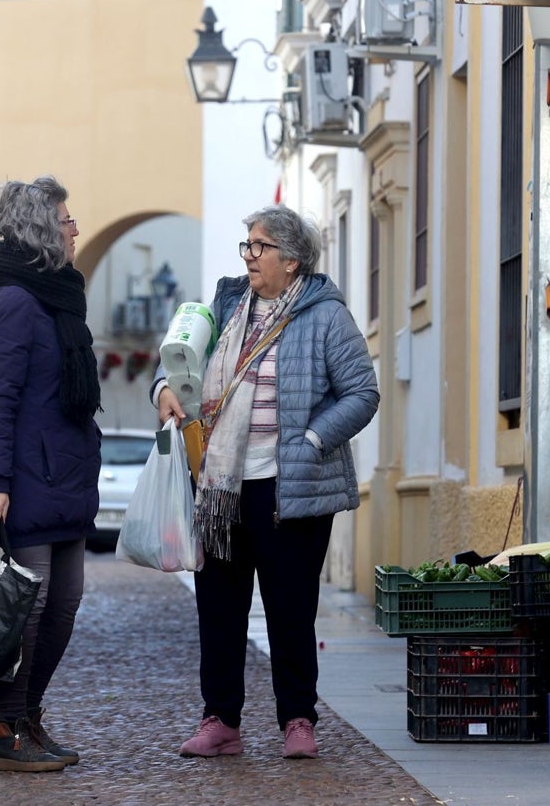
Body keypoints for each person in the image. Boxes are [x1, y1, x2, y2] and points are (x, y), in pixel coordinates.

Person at [153, 205, 379, 761]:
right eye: (247, 246)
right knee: (220, 608)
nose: (249, 256)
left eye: (259, 246)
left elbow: (362, 393)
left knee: (291, 609)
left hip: (290, 490)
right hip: (221, 487)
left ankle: (298, 719)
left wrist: (312, 440)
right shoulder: (227, 304)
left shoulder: (325, 316)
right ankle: (220, 720)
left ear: (291, 259)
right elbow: (181, 357)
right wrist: (163, 387)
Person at [0, 175, 100, 773]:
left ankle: (29, 716)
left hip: (69, 479)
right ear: (43, 229)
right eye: (67, 220)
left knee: (64, 606)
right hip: (27, 481)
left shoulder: (62, 299)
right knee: (27, 608)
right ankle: (6, 730)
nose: (76, 229)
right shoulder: (16, 302)